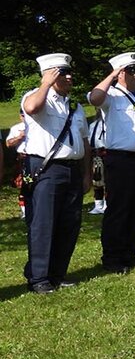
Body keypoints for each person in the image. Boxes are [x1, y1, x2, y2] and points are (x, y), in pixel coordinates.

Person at [20, 53, 91, 293]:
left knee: (69, 223)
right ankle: (39, 278)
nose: (70, 77)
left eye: (69, 72)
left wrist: (87, 173)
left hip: (72, 169)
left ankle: (57, 273)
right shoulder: (36, 97)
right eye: (63, 73)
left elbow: (84, 141)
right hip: (47, 169)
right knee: (43, 223)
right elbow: (31, 108)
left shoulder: (75, 105)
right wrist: (45, 84)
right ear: (50, 75)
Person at [88, 52, 135, 274]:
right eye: (131, 70)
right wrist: (112, 75)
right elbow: (94, 98)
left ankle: (130, 253)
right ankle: (112, 257)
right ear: (120, 73)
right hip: (119, 160)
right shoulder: (111, 96)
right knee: (119, 209)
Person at [6, 110, 28, 219]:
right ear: (20, 116)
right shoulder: (16, 128)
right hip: (22, 158)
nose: (25, 117)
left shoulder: (38, 126)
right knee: (22, 186)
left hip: (37, 159)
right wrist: (19, 137)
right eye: (23, 115)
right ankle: (24, 211)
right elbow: (8, 144)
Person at [88, 110, 107, 215]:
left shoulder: (110, 124)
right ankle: (98, 205)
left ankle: (107, 203)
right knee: (97, 180)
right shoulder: (93, 125)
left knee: (109, 181)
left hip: (107, 153)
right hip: (96, 155)